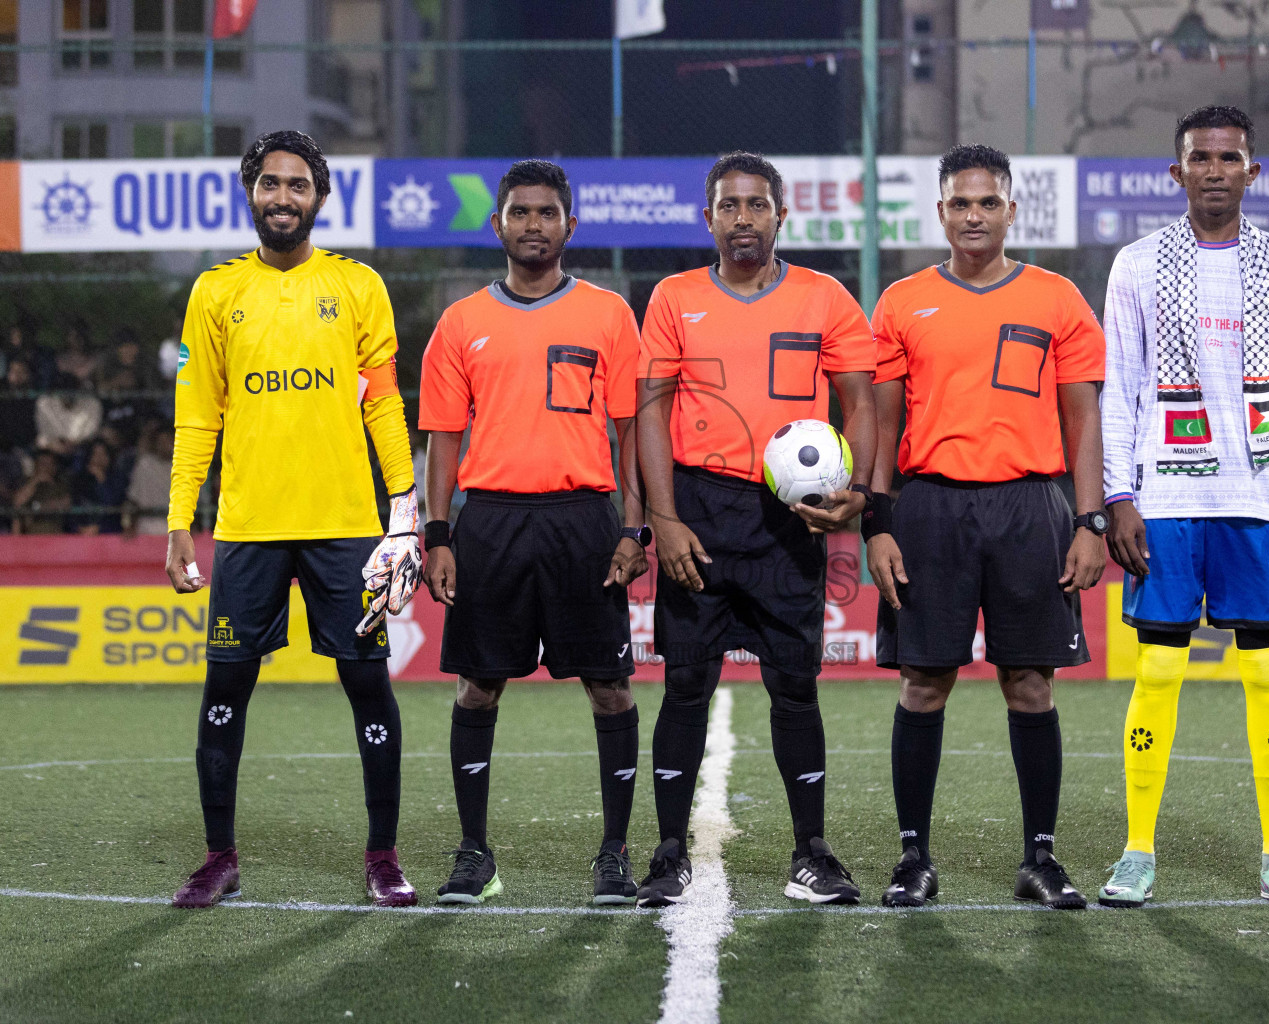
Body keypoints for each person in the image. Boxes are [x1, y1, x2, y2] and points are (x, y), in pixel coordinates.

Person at [164, 130, 423, 910]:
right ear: (250, 193)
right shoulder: (215, 292)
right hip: (247, 529)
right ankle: (219, 857)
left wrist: (404, 510)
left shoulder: (358, 286)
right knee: (224, 692)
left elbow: (382, 401)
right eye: (270, 184)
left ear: (319, 197)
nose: (283, 197)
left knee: (368, 684)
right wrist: (181, 522)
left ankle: (382, 855)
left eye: (297, 186)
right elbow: (196, 416)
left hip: (347, 526)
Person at [1099, 105, 1269, 909]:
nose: (1215, 169)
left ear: (1252, 172)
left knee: (1267, 669)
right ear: (1177, 171)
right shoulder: (1134, 265)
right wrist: (1118, 495)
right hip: (1164, 493)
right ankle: (1136, 851)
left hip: (1259, 497)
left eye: (1230, 157)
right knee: (1158, 668)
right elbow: (1119, 388)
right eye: (1200, 157)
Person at [866, 144, 1106, 910]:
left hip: (1032, 505)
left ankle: (1041, 859)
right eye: (960, 203)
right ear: (941, 212)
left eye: (988, 202)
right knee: (924, 682)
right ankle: (913, 859)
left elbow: (1083, 418)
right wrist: (878, 521)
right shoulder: (902, 302)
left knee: (1030, 684)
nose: (974, 215)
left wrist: (1091, 519)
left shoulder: (1058, 298)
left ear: (1011, 209)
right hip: (930, 505)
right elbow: (881, 421)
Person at [634, 151, 877, 907]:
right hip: (699, 512)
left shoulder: (825, 297)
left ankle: (811, 851)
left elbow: (862, 405)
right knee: (684, 687)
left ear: (780, 216)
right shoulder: (673, 297)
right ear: (708, 219)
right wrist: (663, 519)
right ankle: (669, 853)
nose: (744, 217)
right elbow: (650, 412)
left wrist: (859, 494)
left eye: (757, 205)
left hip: (787, 515)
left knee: (795, 687)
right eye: (730, 205)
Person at [416, 159, 648, 906]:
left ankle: (613, 853)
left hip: (584, 521)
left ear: (569, 226)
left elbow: (631, 434)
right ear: (499, 225)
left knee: (609, 689)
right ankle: (473, 852)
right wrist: (438, 535)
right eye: (520, 213)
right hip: (490, 522)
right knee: (478, 687)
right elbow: (443, 441)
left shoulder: (610, 314)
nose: (533, 225)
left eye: (547, 214)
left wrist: (635, 530)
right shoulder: (461, 323)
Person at [126, 424, 173, 535]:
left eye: (167, 441)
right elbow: (133, 500)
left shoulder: (184, 466)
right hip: (147, 523)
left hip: (177, 524)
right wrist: (130, 525)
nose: (164, 445)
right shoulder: (145, 465)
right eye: (161, 441)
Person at [12, 449, 72, 534]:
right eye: (42, 464)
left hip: (55, 533)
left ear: (54, 467)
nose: (46, 467)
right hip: (32, 534)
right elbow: (17, 502)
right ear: (36, 465)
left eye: (49, 464)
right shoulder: (27, 482)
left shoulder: (60, 484)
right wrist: (35, 481)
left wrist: (38, 507)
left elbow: (66, 503)